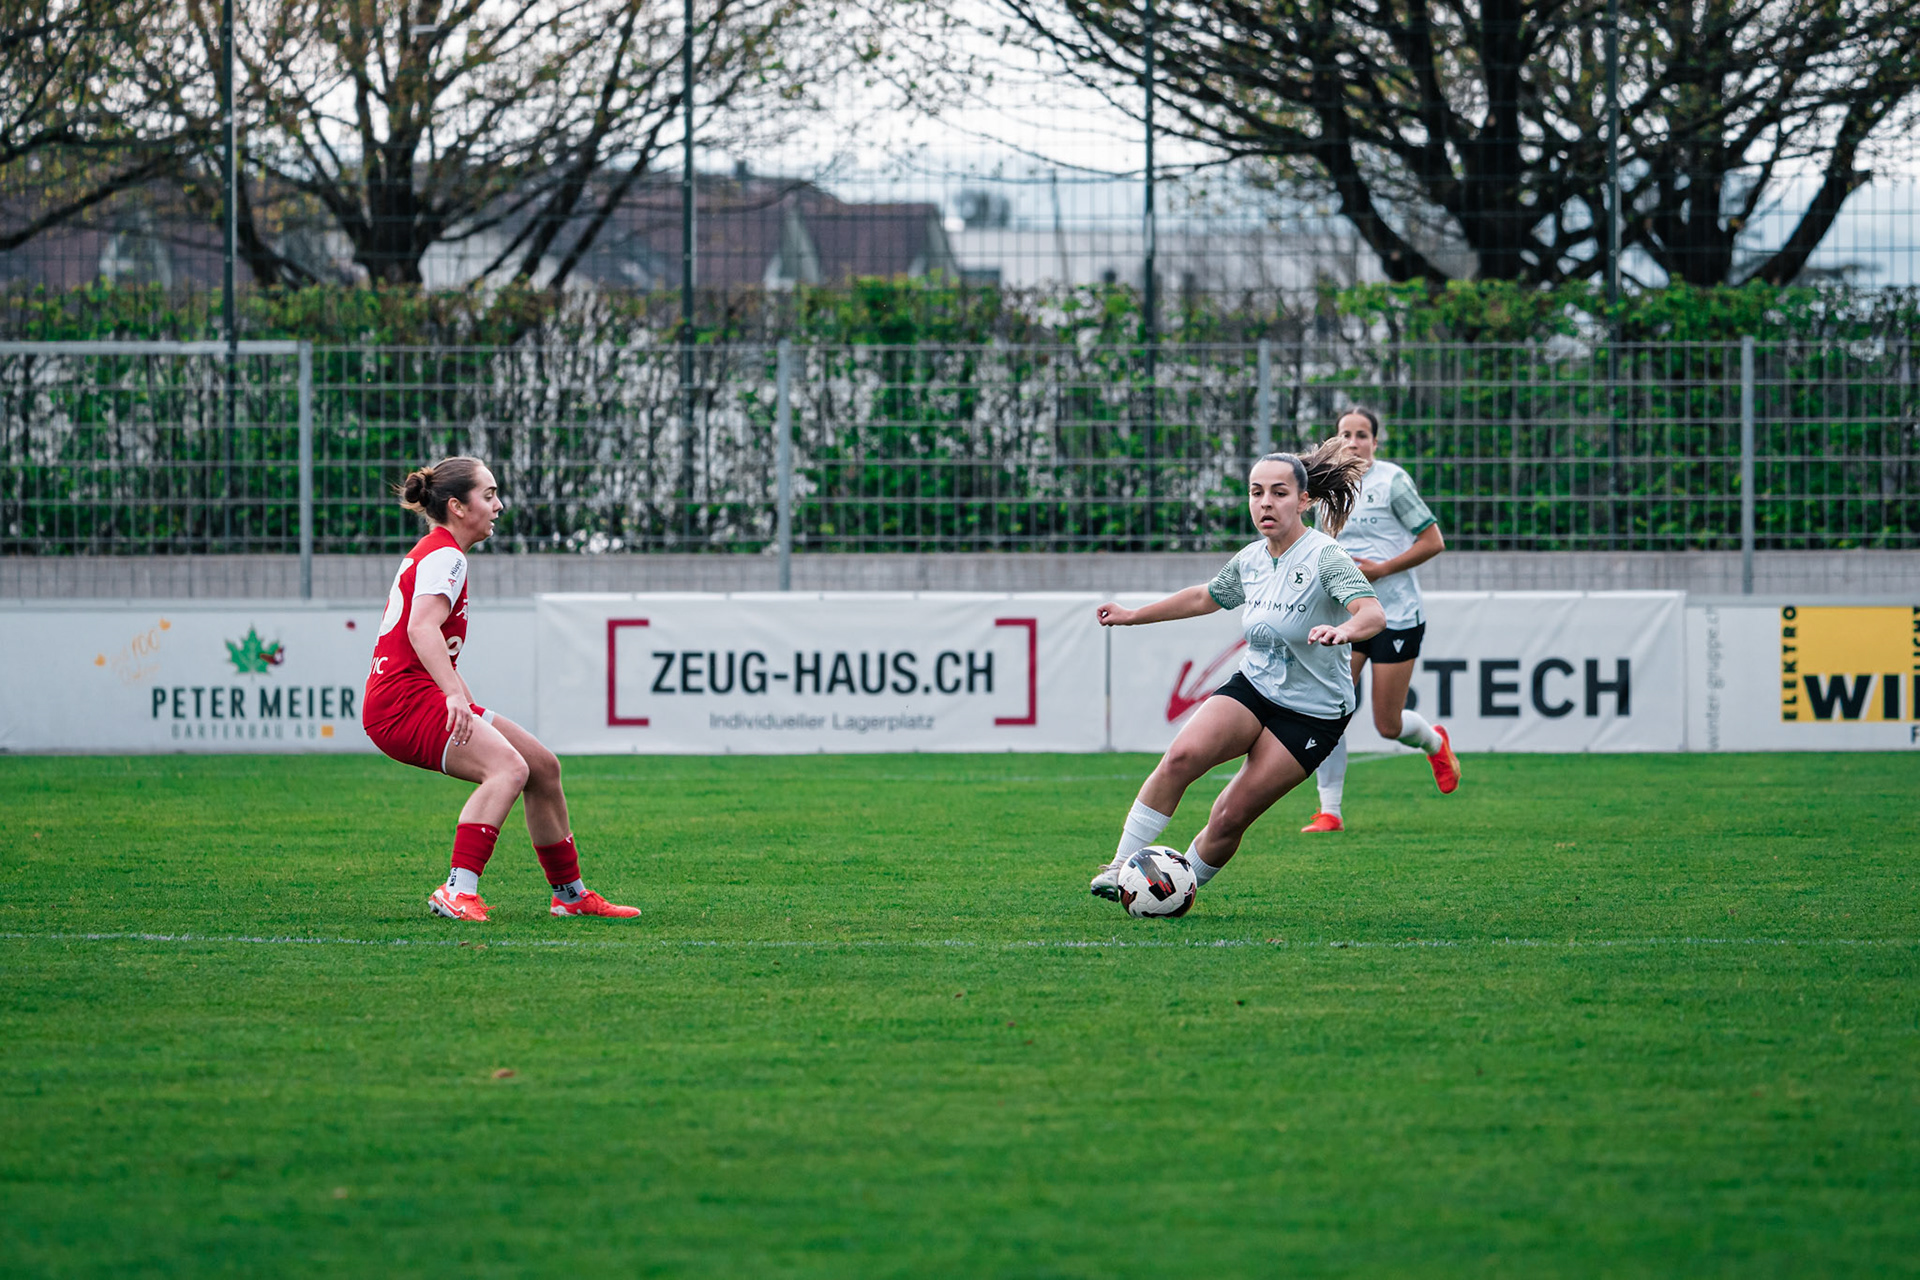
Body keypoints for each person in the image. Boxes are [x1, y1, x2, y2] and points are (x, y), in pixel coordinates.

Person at [1089, 440, 1385, 902]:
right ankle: (1121, 867)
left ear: (1304, 500)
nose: (1265, 503)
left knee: (1229, 816)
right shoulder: (1250, 560)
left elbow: (1372, 613)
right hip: (1255, 687)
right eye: (1256, 492)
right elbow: (1204, 597)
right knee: (1182, 757)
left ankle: (1174, 888)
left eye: (1279, 493)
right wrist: (1133, 614)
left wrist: (1344, 630)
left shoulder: (1325, 557)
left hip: (1313, 712)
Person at [362, 456, 639, 922]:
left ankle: (570, 896)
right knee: (508, 769)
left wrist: (459, 695)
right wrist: (454, 697)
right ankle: (457, 890)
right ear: (457, 506)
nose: (499, 505)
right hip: (401, 704)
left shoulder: (441, 551)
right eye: (488, 496)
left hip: (411, 694)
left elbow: (431, 644)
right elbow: (421, 630)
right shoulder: (445, 555)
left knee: (541, 767)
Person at [1300, 408, 1460, 834]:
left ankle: (1435, 743)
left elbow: (1433, 541)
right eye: (1345, 434)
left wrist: (1381, 569)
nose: (1353, 442)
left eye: (1362, 435)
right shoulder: (1326, 488)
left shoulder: (1393, 481)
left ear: (1375, 441)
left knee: (1387, 724)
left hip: (1396, 615)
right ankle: (1329, 810)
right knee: (1329, 711)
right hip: (1347, 618)